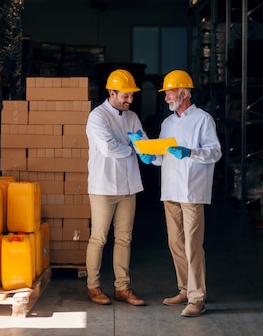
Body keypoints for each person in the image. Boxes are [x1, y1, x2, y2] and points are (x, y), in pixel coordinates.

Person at [150, 69, 221, 317]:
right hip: (170, 190)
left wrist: (190, 152)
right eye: (166, 93)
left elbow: (215, 152)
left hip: (191, 191)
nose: (167, 97)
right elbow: (162, 156)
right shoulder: (167, 123)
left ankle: (197, 298)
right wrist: (151, 156)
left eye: (170, 92)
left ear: (184, 92)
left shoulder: (203, 119)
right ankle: (184, 289)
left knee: (193, 245)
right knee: (175, 244)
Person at [85, 69, 155, 306]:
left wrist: (152, 152)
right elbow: (108, 148)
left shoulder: (132, 116)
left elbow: (143, 142)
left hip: (128, 186)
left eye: (132, 96)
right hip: (103, 187)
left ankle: (122, 288)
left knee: (124, 239)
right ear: (111, 92)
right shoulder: (98, 117)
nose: (130, 100)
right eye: (125, 96)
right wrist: (134, 148)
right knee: (99, 238)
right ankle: (93, 287)